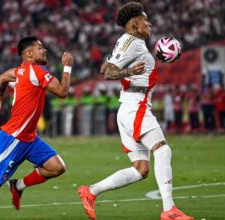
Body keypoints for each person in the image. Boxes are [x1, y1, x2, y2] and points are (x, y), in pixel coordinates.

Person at [77, 2, 193, 220]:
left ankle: (90, 191)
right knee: (163, 150)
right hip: (136, 106)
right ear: (136, 23)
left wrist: (126, 69)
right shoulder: (135, 43)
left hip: (128, 108)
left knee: (140, 169)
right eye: (146, 21)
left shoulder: (127, 42)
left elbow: (104, 66)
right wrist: (129, 70)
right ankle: (169, 211)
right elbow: (108, 73)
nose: (149, 25)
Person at [0, 36, 73, 220]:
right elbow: (63, 92)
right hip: (14, 138)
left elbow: (2, 78)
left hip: (30, 139)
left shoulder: (19, 72)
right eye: (40, 47)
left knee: (57, 167)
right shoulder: (37, 71)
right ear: (29, 53)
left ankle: (17, 186)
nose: (45, 50)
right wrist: (67, 66)